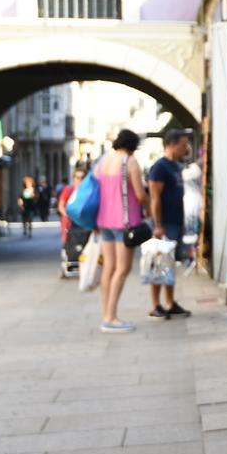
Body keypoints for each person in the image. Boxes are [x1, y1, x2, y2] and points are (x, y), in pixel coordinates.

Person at [95, 130, 148, 334]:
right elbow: (140, 194)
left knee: (109, 268)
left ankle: (105, 314)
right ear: (133, 145)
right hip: (124, 222)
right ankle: (111, 317)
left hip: (104, 221)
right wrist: (150, 206)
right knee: (123, 269)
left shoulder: (103, 161)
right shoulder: (129, 162)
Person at [146, 129, 193, 320]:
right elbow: (155, 197)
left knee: (170, 264)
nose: (186, 148)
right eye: (183, 144)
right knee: (159, 263)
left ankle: (170, 302)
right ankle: (156, 304)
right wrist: (158, 224)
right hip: (164, 223)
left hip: (175, 222)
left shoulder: (175, 166)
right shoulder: (160, 167)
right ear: (172, 144)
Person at [56, 168, 85, 244]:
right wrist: (68, 215)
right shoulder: (68, 190)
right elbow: (61, 206)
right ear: (73, 179)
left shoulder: (88, 190)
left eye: (83, 177)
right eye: (78, 178)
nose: (80, 180)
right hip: (69, 224)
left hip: (84, 224)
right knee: (70, 247)